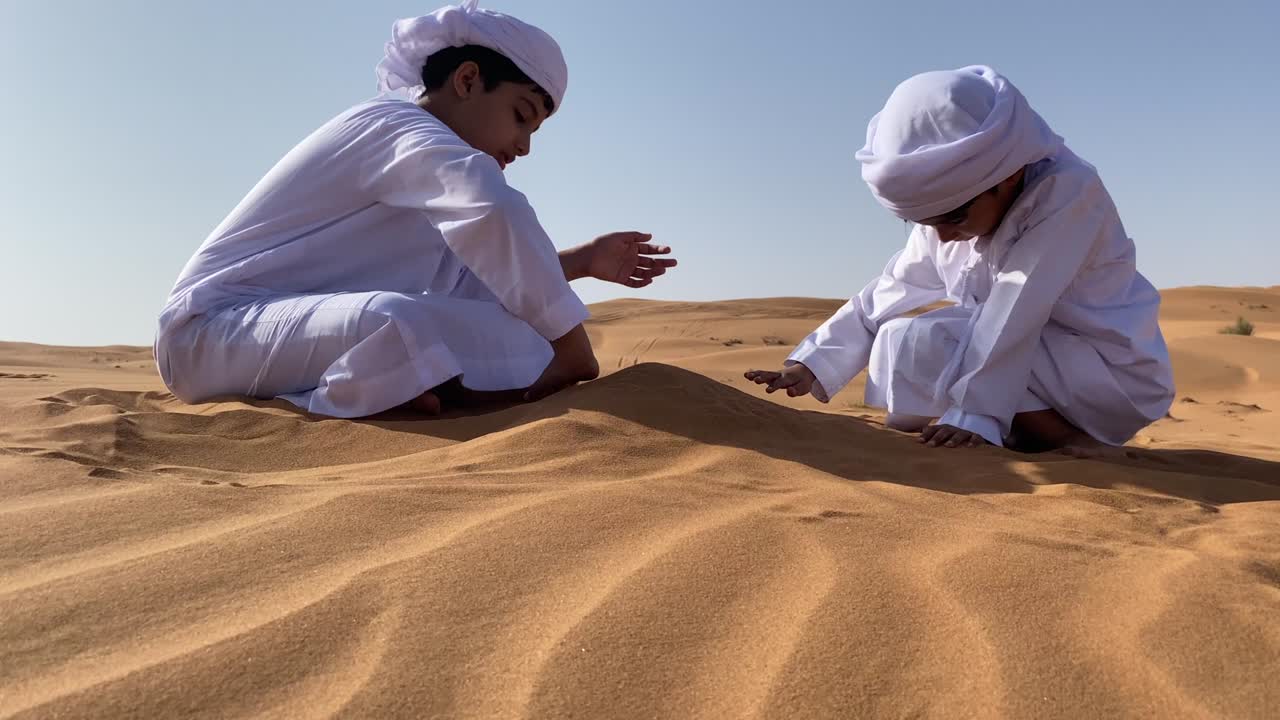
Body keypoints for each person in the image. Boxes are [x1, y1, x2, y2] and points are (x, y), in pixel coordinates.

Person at [155, 1, 675, 418]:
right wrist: (573, 349)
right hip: (210, 332)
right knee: (397, 324)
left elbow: (480, 283)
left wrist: (581, 263)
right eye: (521, 117)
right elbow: (493, 211)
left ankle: (405, 389)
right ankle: (322, 405)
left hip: (312, 327)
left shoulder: (439, 180)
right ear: (468, 80)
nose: (523, 147)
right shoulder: (393, 128)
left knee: (523, 338)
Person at [746, 66, 1173, 452]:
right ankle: (996, 431)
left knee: (937, 337)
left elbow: (1016, 308)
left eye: (953, 218)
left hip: (1104, 371)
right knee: (899, 336)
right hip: (1033, 365)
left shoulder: (1068, 193)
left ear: (1005, 178)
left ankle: (1068, 441)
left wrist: (974, 414)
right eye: (927, 223)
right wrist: (810, 363)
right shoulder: (951, 211)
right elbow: (890, 290)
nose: (944, 235)